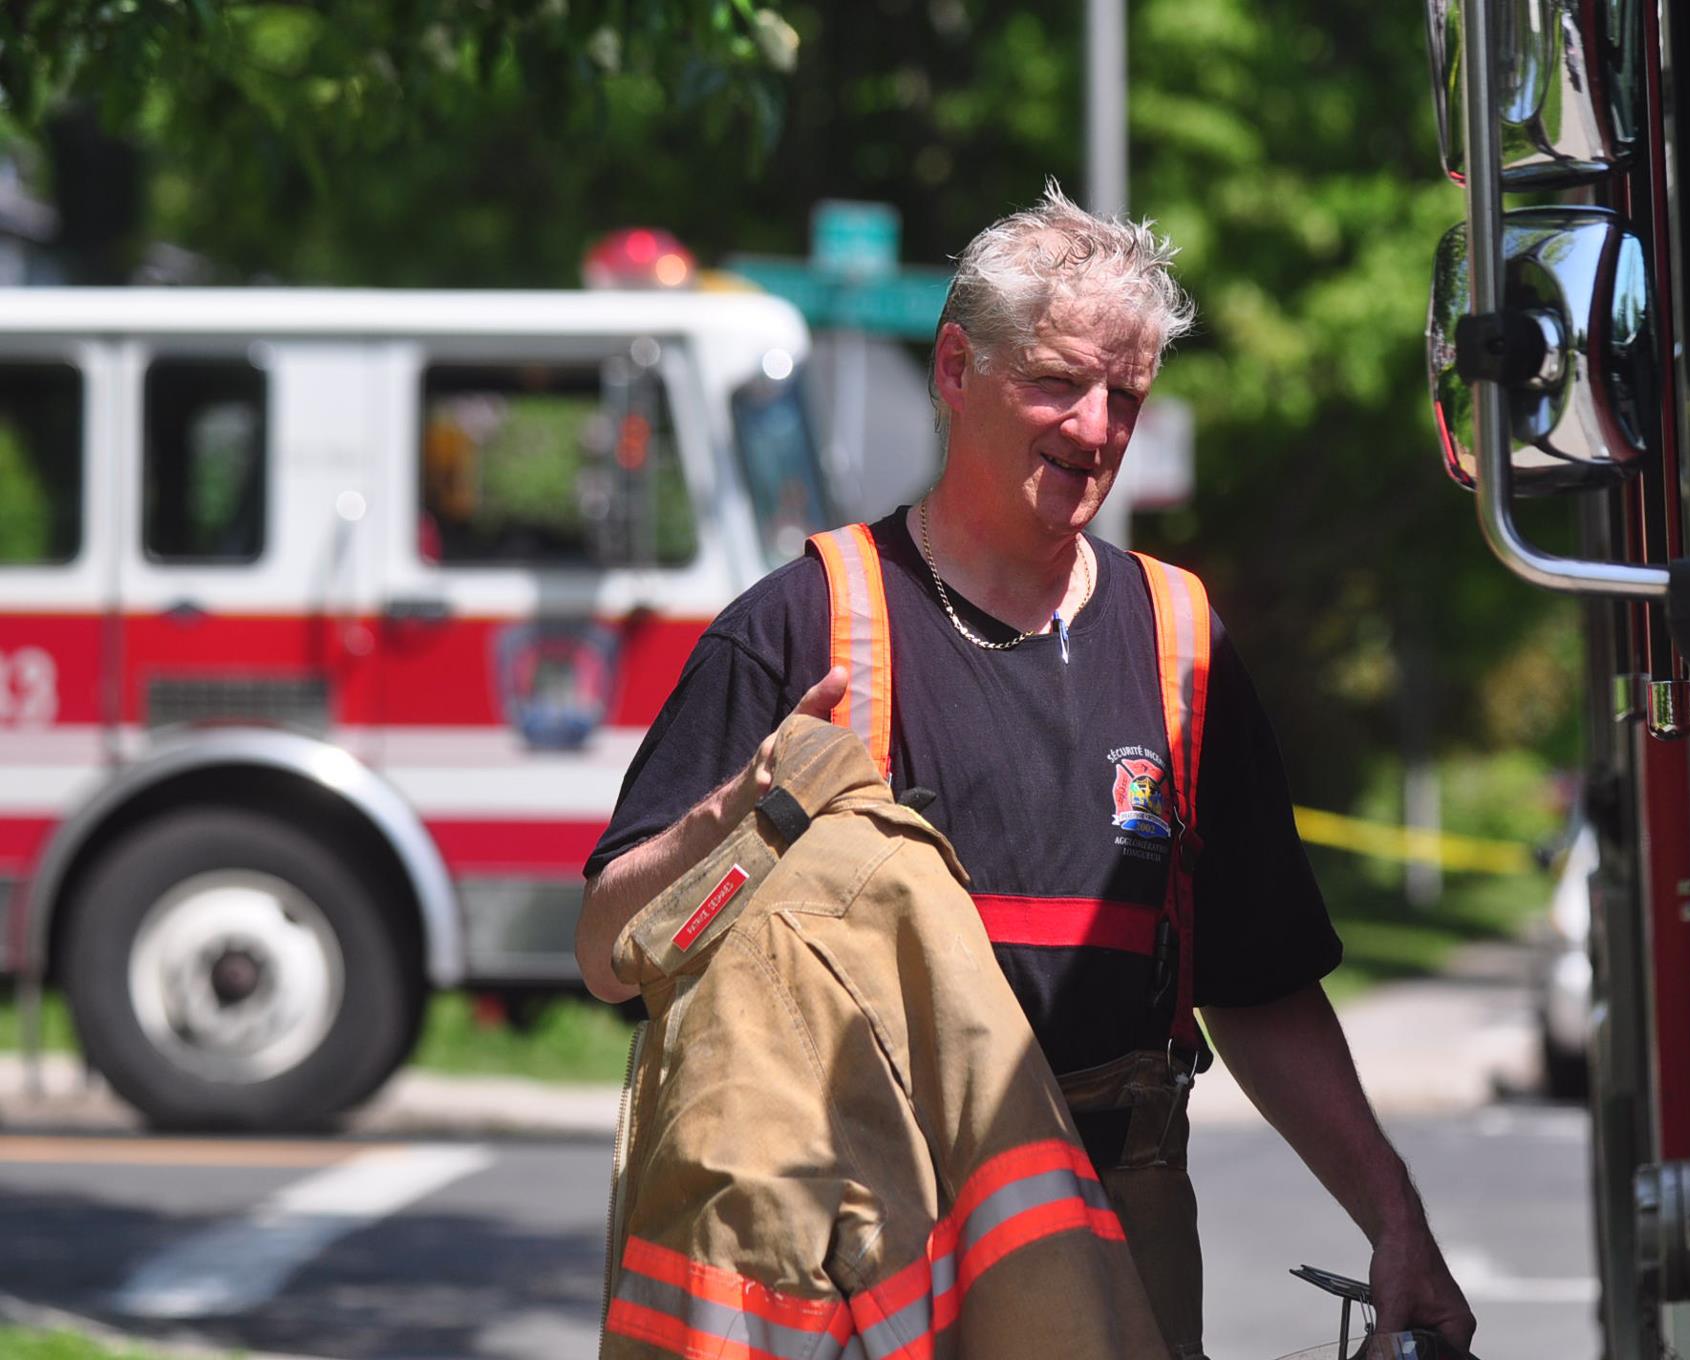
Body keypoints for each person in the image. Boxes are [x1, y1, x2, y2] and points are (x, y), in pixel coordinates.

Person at [577, 184, 1475, 1358]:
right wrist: (739, 812)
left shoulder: (1179, 641)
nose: (1095, 427)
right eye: (1057, 380)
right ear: (956, 369)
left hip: (1124, 1222)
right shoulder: (806, 623)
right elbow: (606, 952)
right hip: (878, 1237)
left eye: (1127, 395)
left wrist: (1393, 1219)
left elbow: (1256, 982)